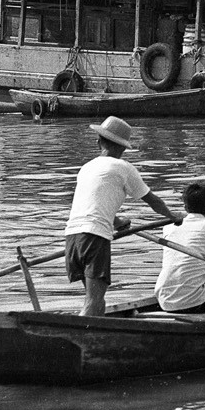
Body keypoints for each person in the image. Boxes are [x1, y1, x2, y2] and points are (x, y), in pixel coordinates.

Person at [62, 116, 181, 318]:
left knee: (96, 299)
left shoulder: (87, 167)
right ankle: (76, 335)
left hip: (72, 238)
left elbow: (93, 204)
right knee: (93, 301)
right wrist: (173, 215)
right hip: (94, 238)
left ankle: (97, 334)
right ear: (123, 148)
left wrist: (118, 222)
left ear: (98, 142)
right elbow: (153, 201)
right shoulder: (123, 168)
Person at [154, 180, 205, 314]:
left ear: (185, 207)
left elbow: (188, 252)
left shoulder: (168, 227)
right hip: (193, 302)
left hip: (164, 300)